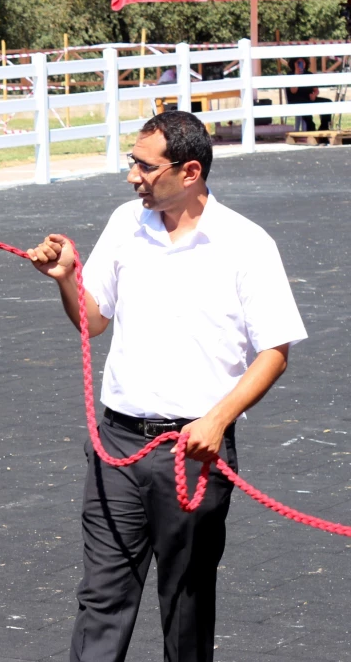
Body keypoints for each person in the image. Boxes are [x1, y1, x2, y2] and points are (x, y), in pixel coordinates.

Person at [26, 112, 306, 662]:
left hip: (194, 452)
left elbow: (275, 352)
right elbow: (95, 318)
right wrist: (67, 280)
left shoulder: (246, 244)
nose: (132, 176)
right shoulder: (125, 224)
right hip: (118, 448)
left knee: (186, 607)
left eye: (145, 166)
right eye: (132, 161)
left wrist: (217, 420)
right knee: (101, 601)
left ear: (191, 171)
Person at [285, 58, 332, 132]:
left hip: (308, 98)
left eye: (303, 62)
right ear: (293, 64)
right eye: (298, 62)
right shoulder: (290, 75)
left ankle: (324, 127)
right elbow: (293, 91)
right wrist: (297, 75)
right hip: (296, 100)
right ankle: (310, 127)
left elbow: (316, 90)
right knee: (304, 104)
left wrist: (314, 95)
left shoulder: (309, 74)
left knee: (327, 102)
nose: (301, 64)